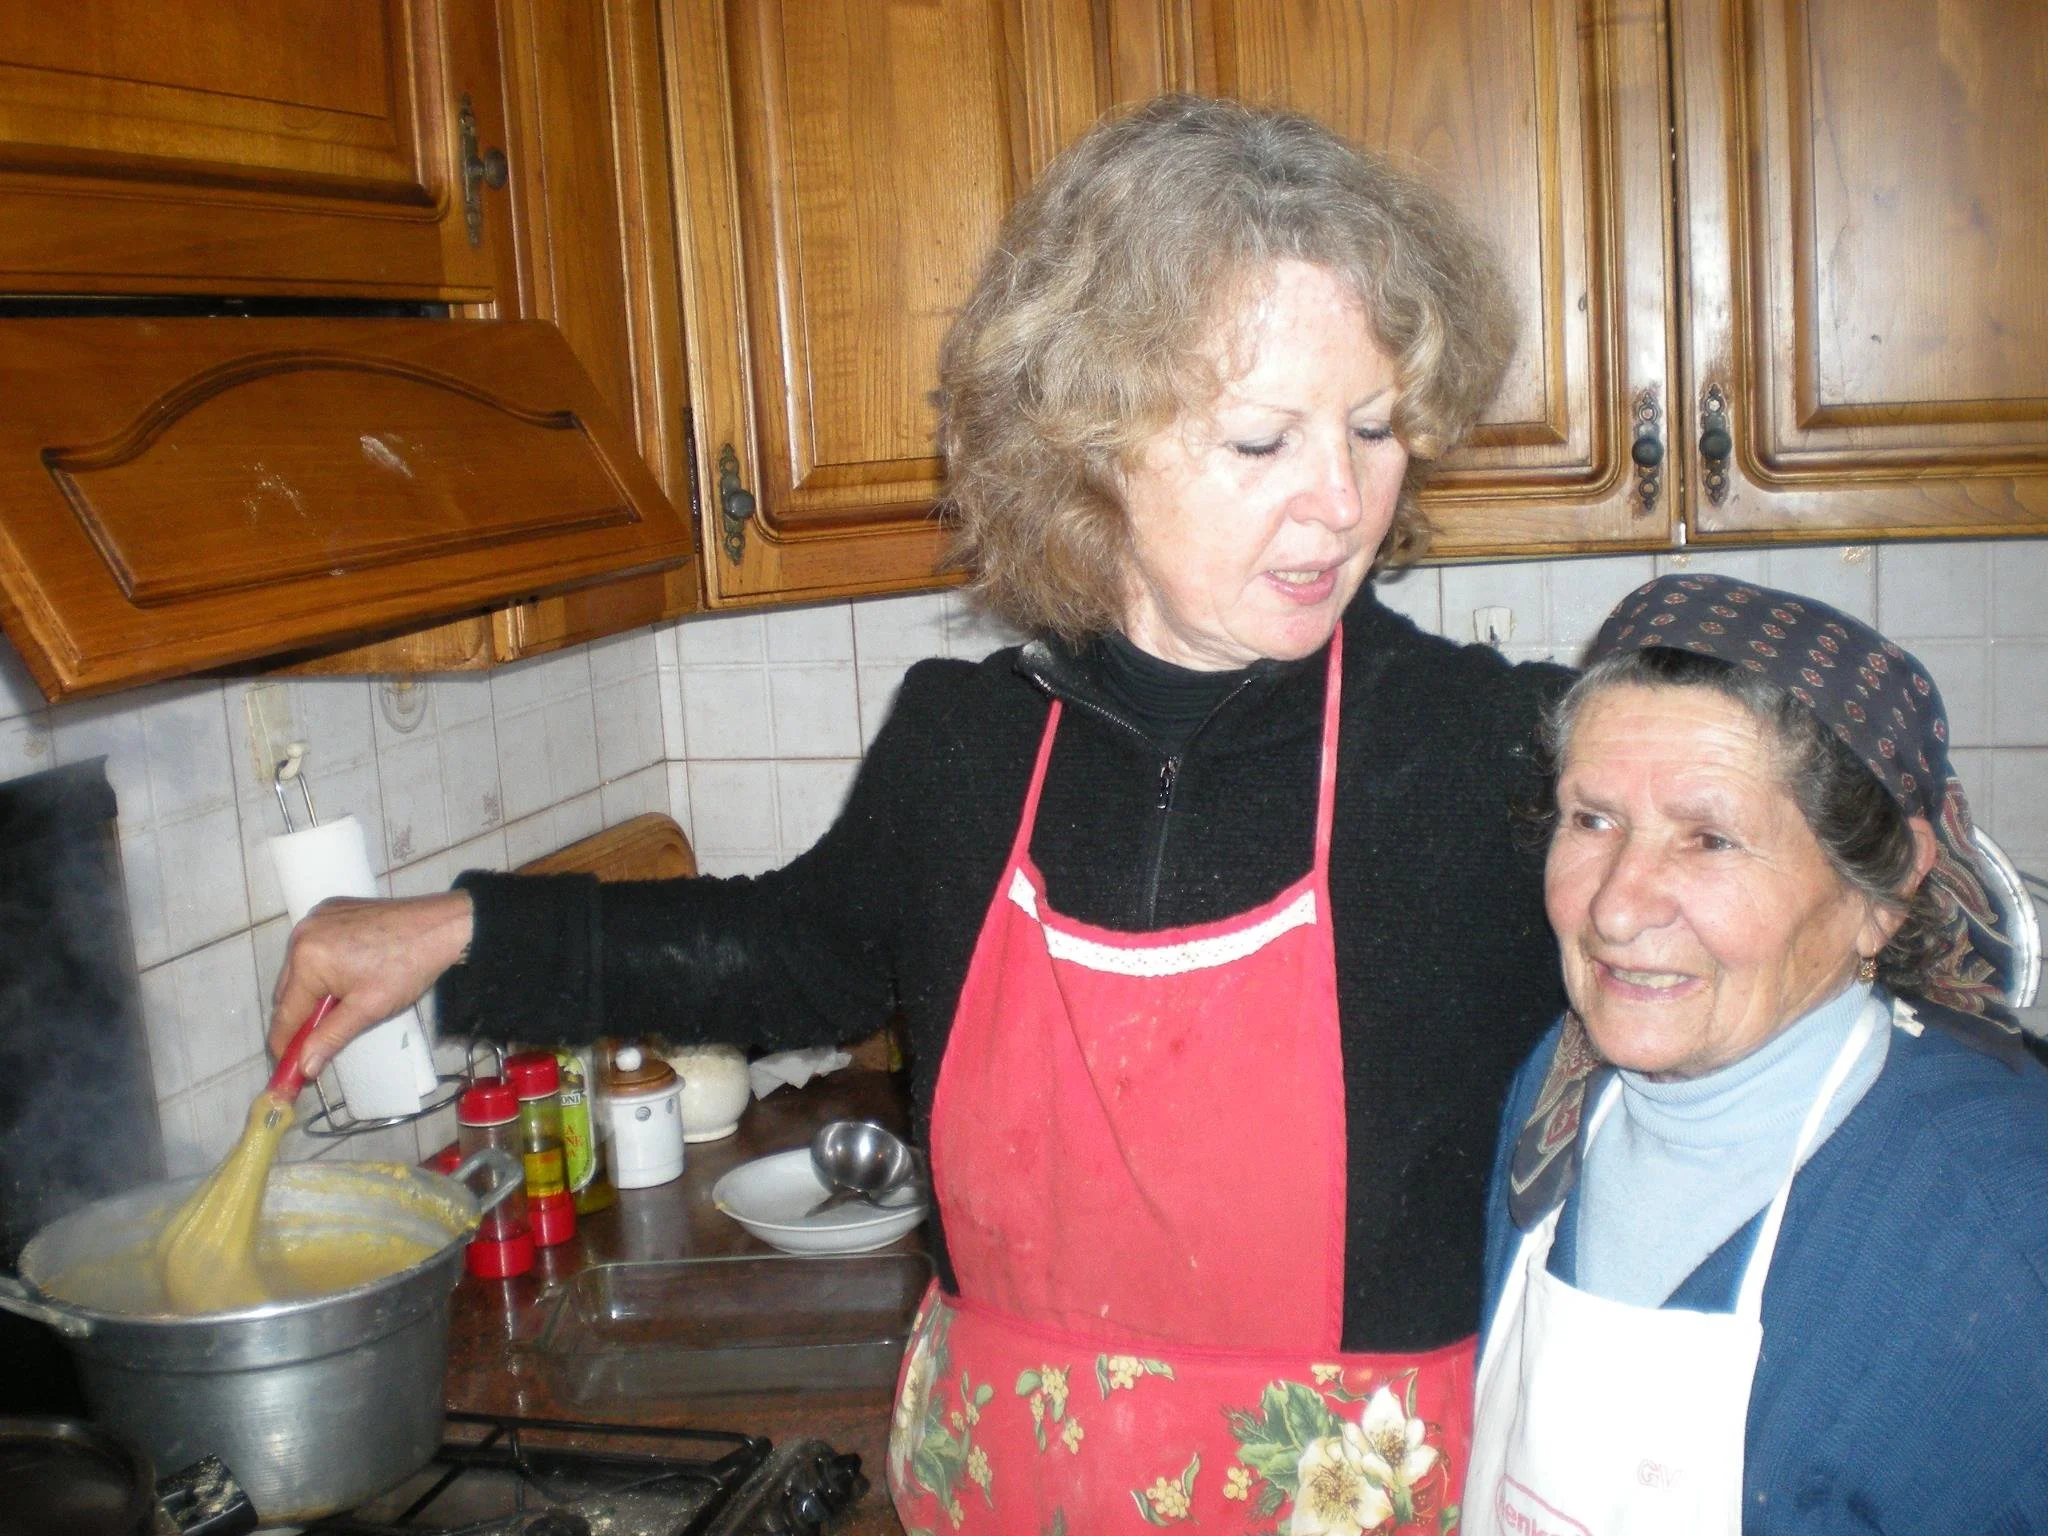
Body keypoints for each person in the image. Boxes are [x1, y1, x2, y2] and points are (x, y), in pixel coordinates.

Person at [274, 96, 1568, 1532]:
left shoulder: (1485, 754)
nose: (1340, 499)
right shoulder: (969, 745)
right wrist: (458, 935)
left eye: (1375, 427)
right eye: (1262, 441)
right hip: (1006, 1490)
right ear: (1091, 444)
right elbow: (789, 955)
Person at [1466, 573, 2048, 1535]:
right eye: (1592, 820)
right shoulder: (1555, 1092)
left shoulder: (2001, 1221)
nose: (1616, 907)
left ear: (1881, 892)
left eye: (1711, 839)